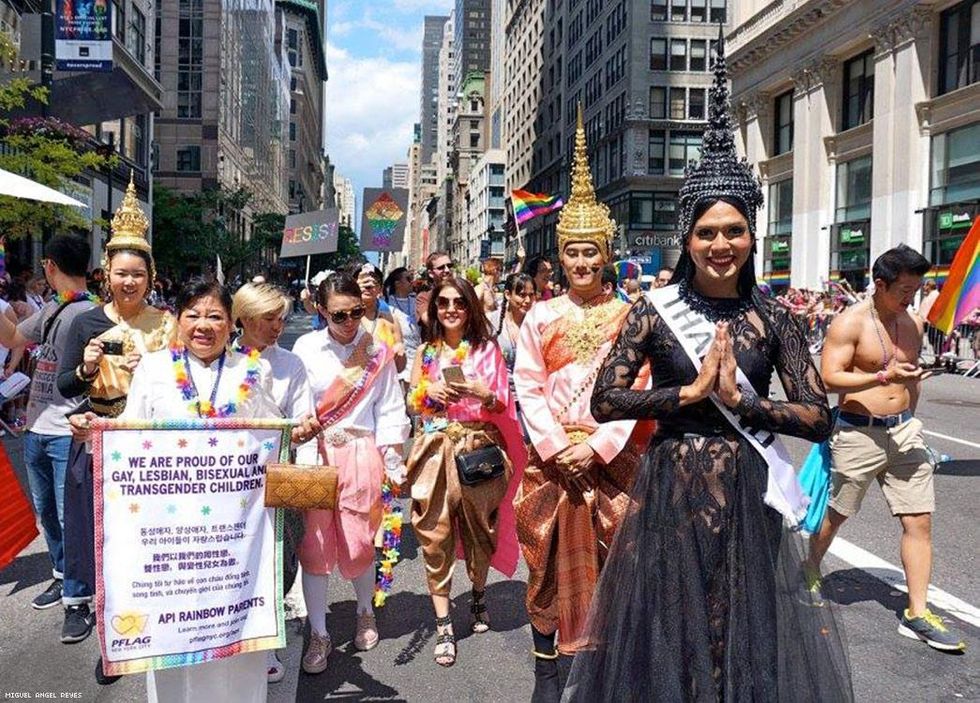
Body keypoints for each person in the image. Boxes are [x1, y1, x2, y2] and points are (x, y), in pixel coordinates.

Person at [568, 41, 853, 701]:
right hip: (669, 488)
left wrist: (745, 406)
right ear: (686, 236)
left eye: (734, 230)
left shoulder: (774, 317)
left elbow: (818, 415)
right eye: (706, 232)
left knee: (738, 626)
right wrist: (687, 393)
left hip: (747, 493)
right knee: (671, 624)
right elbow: (606, 400)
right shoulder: (654, 311)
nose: (720, 243)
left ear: (751, 234)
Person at [120, 277, 317, 703]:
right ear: (177, 320)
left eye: (214, 316)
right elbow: (127, 437)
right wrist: (91, 435)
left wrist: (297, 434)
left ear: (231, 324)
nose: (203, 325)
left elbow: (272, 440)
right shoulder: (153, 370)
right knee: (172, 638)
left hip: (232, 537)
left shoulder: (252, 370)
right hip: (170, 535)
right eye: (192, 315)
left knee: (235, 642)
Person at [513, 109, 650, 701]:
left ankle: (606, 675)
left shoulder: (631, 316)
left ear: (607, 254)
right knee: (544, 568)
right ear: (559, 257)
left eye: (592, 254)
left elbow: (639, 384)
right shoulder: (540, 316)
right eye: (573, 255)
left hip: (611, 460)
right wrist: (557, 447)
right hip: (551, 464)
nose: (583, 264)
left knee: (616, 567)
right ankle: (549, 675)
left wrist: (595, 445)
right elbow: (529, 387)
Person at [805, 246, 964, 652]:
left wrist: (911, 405)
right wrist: (881, 376)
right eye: (905, 290)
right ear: (880, 284)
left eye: (916, 289)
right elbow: (828, 378)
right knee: (838, 514)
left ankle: (916, 611)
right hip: (859, 432)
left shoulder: (911, 322)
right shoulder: (850, 322)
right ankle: (809, 566)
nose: (910, 297)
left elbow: (908, 377)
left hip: (904, 434)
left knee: (919, 521)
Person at [56, 184, 176, 687]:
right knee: (102, 548)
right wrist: (85, 372)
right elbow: (63, 386)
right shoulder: (84, 321)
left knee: (148, 550)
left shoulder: (166, 323)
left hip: (149, 446)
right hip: (99, 439)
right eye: (121, 273)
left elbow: (181, 384)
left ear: (150, 277)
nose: (129, 282)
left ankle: (157, 635)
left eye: (138, 274)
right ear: (105, 273)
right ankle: (112, 642)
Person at [292, 272, 410, 675]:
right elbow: (299, 405)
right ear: (321, 310)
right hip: (318, 453)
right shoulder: (305, 348)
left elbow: (391, 406)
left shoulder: (377, 349)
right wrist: (304, 456)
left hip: (362, 452)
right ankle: (320, 633)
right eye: (339, 315)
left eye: (356, 312)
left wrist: (393, 459)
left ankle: (364, 611)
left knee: (361, 540)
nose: (349, 322)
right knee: (315, 546)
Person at [405, 276, 527, 667]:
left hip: (480, 451)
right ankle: (443, 625)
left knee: (481, 534)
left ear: (470, 306)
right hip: (435, 451)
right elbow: (413, 401)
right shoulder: (425, 352)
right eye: (444, 303)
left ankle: (477, 594)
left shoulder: (486, 350)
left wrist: (480, 392)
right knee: (434, 535)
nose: (452, 309)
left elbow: (502, 401)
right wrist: (429, 394)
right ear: (434, 309)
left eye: (459, 302)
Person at [0, 235, 99, 615]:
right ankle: (63, 577)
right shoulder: (55, 309)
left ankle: (78, 597)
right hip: (37, 429)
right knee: (49, 513)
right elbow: (11, 337)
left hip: (66, 433)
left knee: (67, 516)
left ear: (51, 266)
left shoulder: (90, 313)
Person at [231, 282, 315, 683]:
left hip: (279, 476)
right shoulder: (220, 359)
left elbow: (303, 416)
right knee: (235, 562)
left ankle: (267, 639)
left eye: (282, 318)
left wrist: (302, 431)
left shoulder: (291, 364)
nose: (278, 326)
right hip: (228, 484)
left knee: (280, 560)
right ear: (245, 318)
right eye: (270, 319)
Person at [350, 263, 407, 374]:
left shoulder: (391, 321)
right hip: (351, 385)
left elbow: (399, 368)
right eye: (364, 281)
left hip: (384, 386)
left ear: (380, 289)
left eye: (374, 282)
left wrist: (400, 352)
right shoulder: (344, 317)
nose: (369, 286)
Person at [383, 266, 421, 389]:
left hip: (418, 351)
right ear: (398, 283)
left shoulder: (417, 300)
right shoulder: (387, 303)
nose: (412, 282)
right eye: (408, 279)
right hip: (401, 354)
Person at [416, 252, 456, 326]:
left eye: (449, 266)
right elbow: (429, 321)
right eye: (441, 267)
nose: (447, 270)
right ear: (431, 273)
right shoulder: (424, 297)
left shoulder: (463, 292)